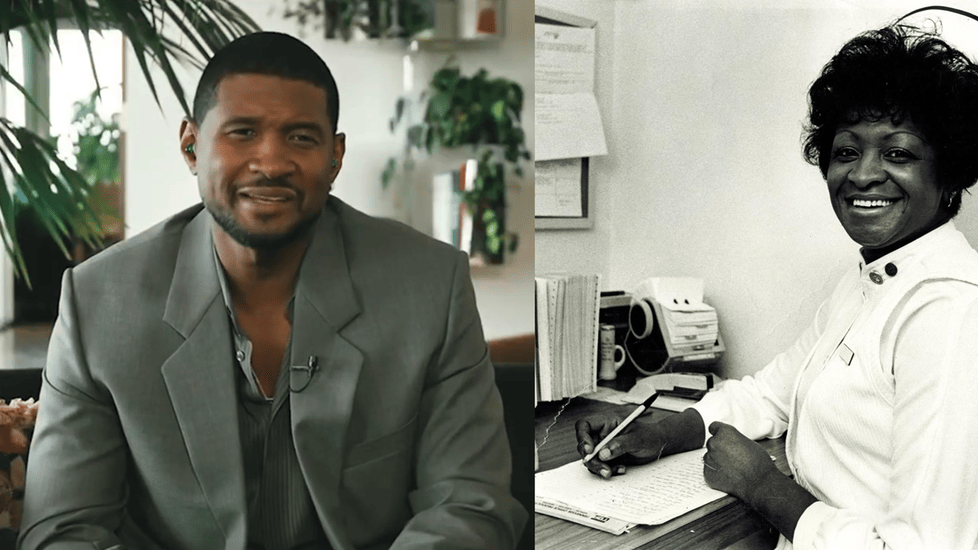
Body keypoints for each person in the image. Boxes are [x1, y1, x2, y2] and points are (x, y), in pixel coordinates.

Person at [19, 32, 526, 550]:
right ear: (191, 146)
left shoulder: (430, 286)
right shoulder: (98, 302)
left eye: (302, 138)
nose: (271, 162)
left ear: (335, 156)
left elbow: (469, 505)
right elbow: (62, 530)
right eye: (242, 132)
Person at [576, 23, 978, 550]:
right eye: (846, 151)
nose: (862, 175)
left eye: (898, 153)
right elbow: (774, 391)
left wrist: (762, 487)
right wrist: (669, 431)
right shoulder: (869, 281)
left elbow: (925, 544)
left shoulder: (948, 310)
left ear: (949, 174)